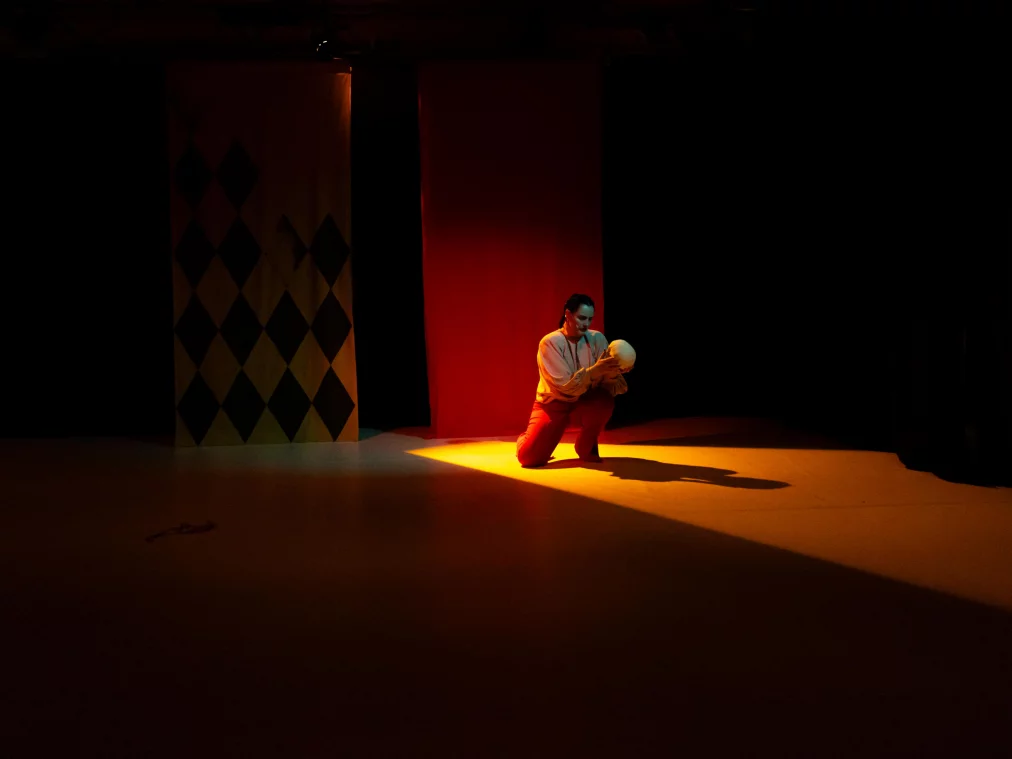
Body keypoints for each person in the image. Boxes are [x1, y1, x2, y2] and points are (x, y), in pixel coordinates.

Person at [516, 294, 629, 468]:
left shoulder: (597, 339)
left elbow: (610, 386)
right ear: (568, 315)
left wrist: (615, 371)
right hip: (554, 403)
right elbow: (564, 387)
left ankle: (586, 444)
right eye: (582, 318)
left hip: (586, 399)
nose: (586, 323)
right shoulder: (550, 343)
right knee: (529, 458)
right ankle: (527, 440)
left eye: (590, 319)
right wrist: (594, 371)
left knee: (604, 401)